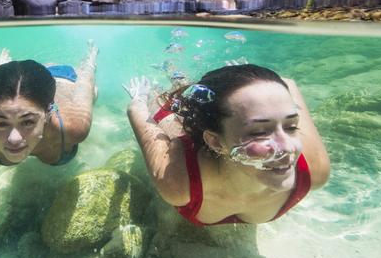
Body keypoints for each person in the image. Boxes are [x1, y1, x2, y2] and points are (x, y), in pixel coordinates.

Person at [124, 64, 330, 225]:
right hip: (186, 136)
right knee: (170, 106)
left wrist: (251, 87)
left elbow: (287, 83)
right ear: (215, 141)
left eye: (292, 126)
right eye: (259, 132)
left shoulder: (314, 171)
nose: (288, 148)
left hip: (224, 124)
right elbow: (139, 115)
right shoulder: (179, 182)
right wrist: (138, 99)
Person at [0, 43, 97, 166]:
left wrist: (89, 63)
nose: (14, 140)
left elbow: (85, 82)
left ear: (48, 114)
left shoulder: (72, 126)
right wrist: (0, 67)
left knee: (94, 93)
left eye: (27, 122)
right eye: (1, 124)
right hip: (31, 84)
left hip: (64, 78)